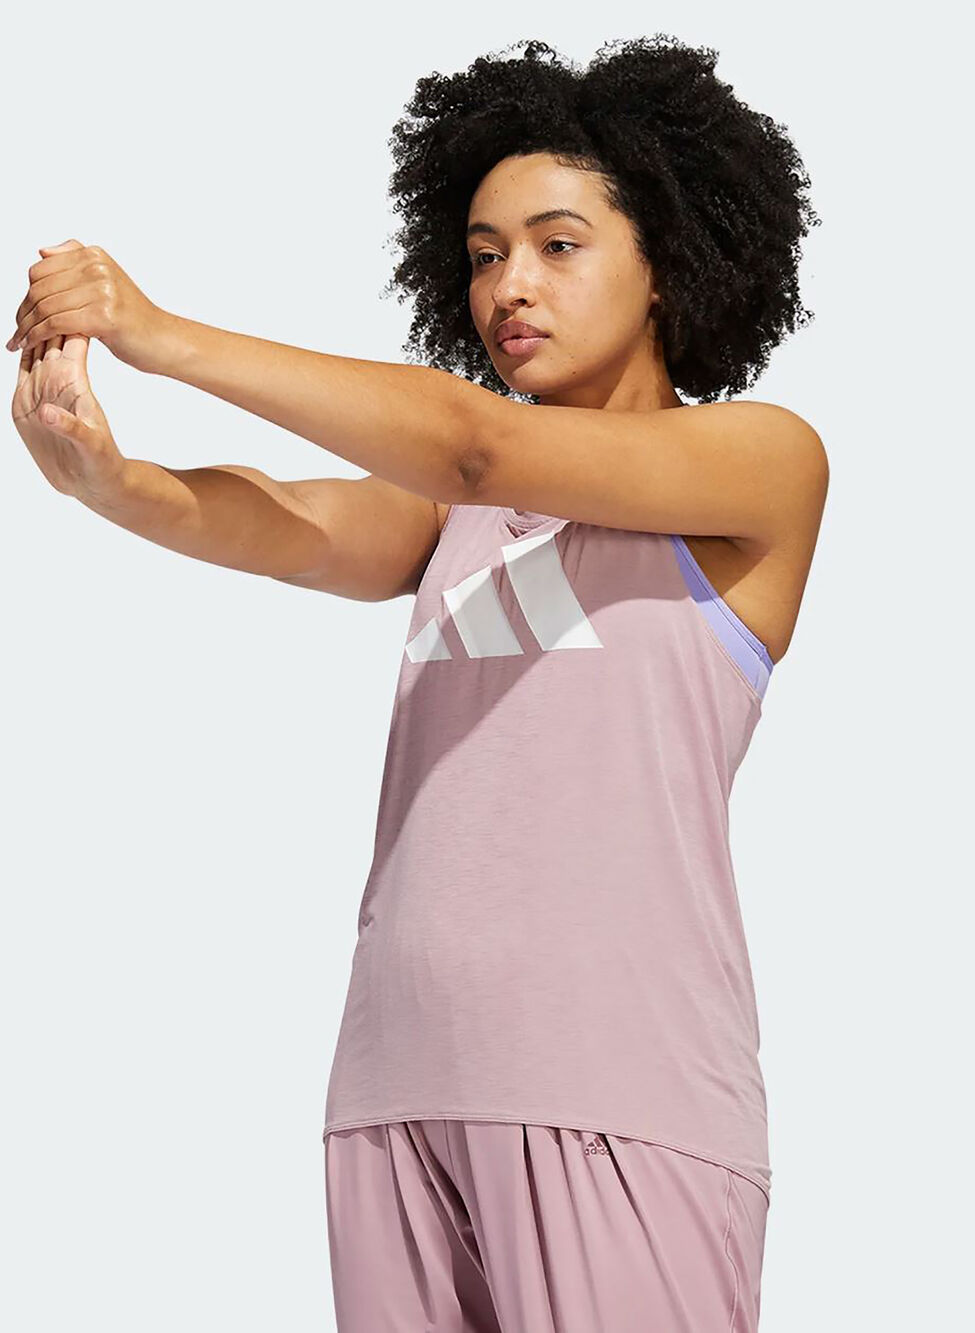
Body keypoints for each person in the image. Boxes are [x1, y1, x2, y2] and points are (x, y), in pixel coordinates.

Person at [8, 34, 827, 1332]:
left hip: (622, 1100)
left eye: (559, 245)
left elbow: (474, 443)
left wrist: (160, 337)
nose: (511, 283)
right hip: (394, 1097)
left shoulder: (758, 465)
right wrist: (112, 482)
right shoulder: (456, 522)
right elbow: (290, 523)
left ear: (668, 262)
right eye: (486, 252)